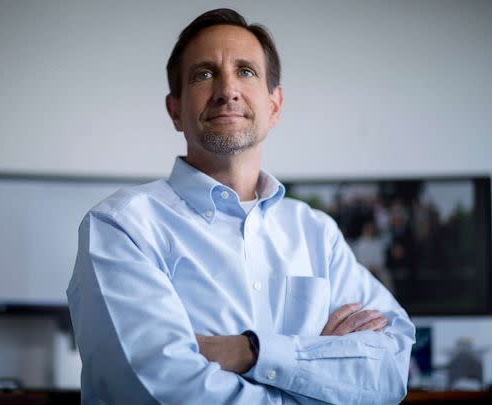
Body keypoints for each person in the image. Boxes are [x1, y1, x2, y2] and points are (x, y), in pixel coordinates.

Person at [67, 8, 415, 404]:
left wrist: (251, 351)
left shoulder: (317, 233)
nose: (226, 90)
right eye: (203, 74)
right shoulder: (121, 227)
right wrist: (318, 369)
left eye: (246, 71)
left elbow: (391, 367)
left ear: (275, 105)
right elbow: (160, 391)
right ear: (176, 110)